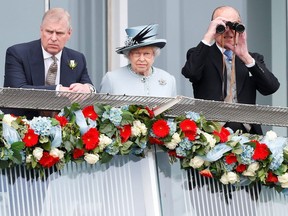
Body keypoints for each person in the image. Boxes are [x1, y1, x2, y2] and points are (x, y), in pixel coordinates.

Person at [181, 6, 280, 134]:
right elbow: (191, 73)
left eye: (234, 26)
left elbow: (270, 88)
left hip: (247, 133)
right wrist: (208, 36)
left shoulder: (253, 58)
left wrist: (245, 57)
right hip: (210, 134)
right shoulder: (200, 55)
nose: (228, 31)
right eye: (222, 26)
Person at [3, 8, 96, 118]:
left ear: (69, 34)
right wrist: (57, 90)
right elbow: (18, 91)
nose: (53, 38)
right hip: (22, 127)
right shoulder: (18, 54)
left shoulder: (77, 58)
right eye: (49, 32)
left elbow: (90, 87)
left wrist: (88, 88)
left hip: (64, 128)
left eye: (59, 33)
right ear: (41, 30)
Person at [99, 24, 177, 97]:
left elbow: (173, 110)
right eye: (136, 54)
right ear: (129, 55)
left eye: (146, 54)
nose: (142, 59)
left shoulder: (168, 79)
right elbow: (101, 109)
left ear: (154, 55)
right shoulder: (112, 79)